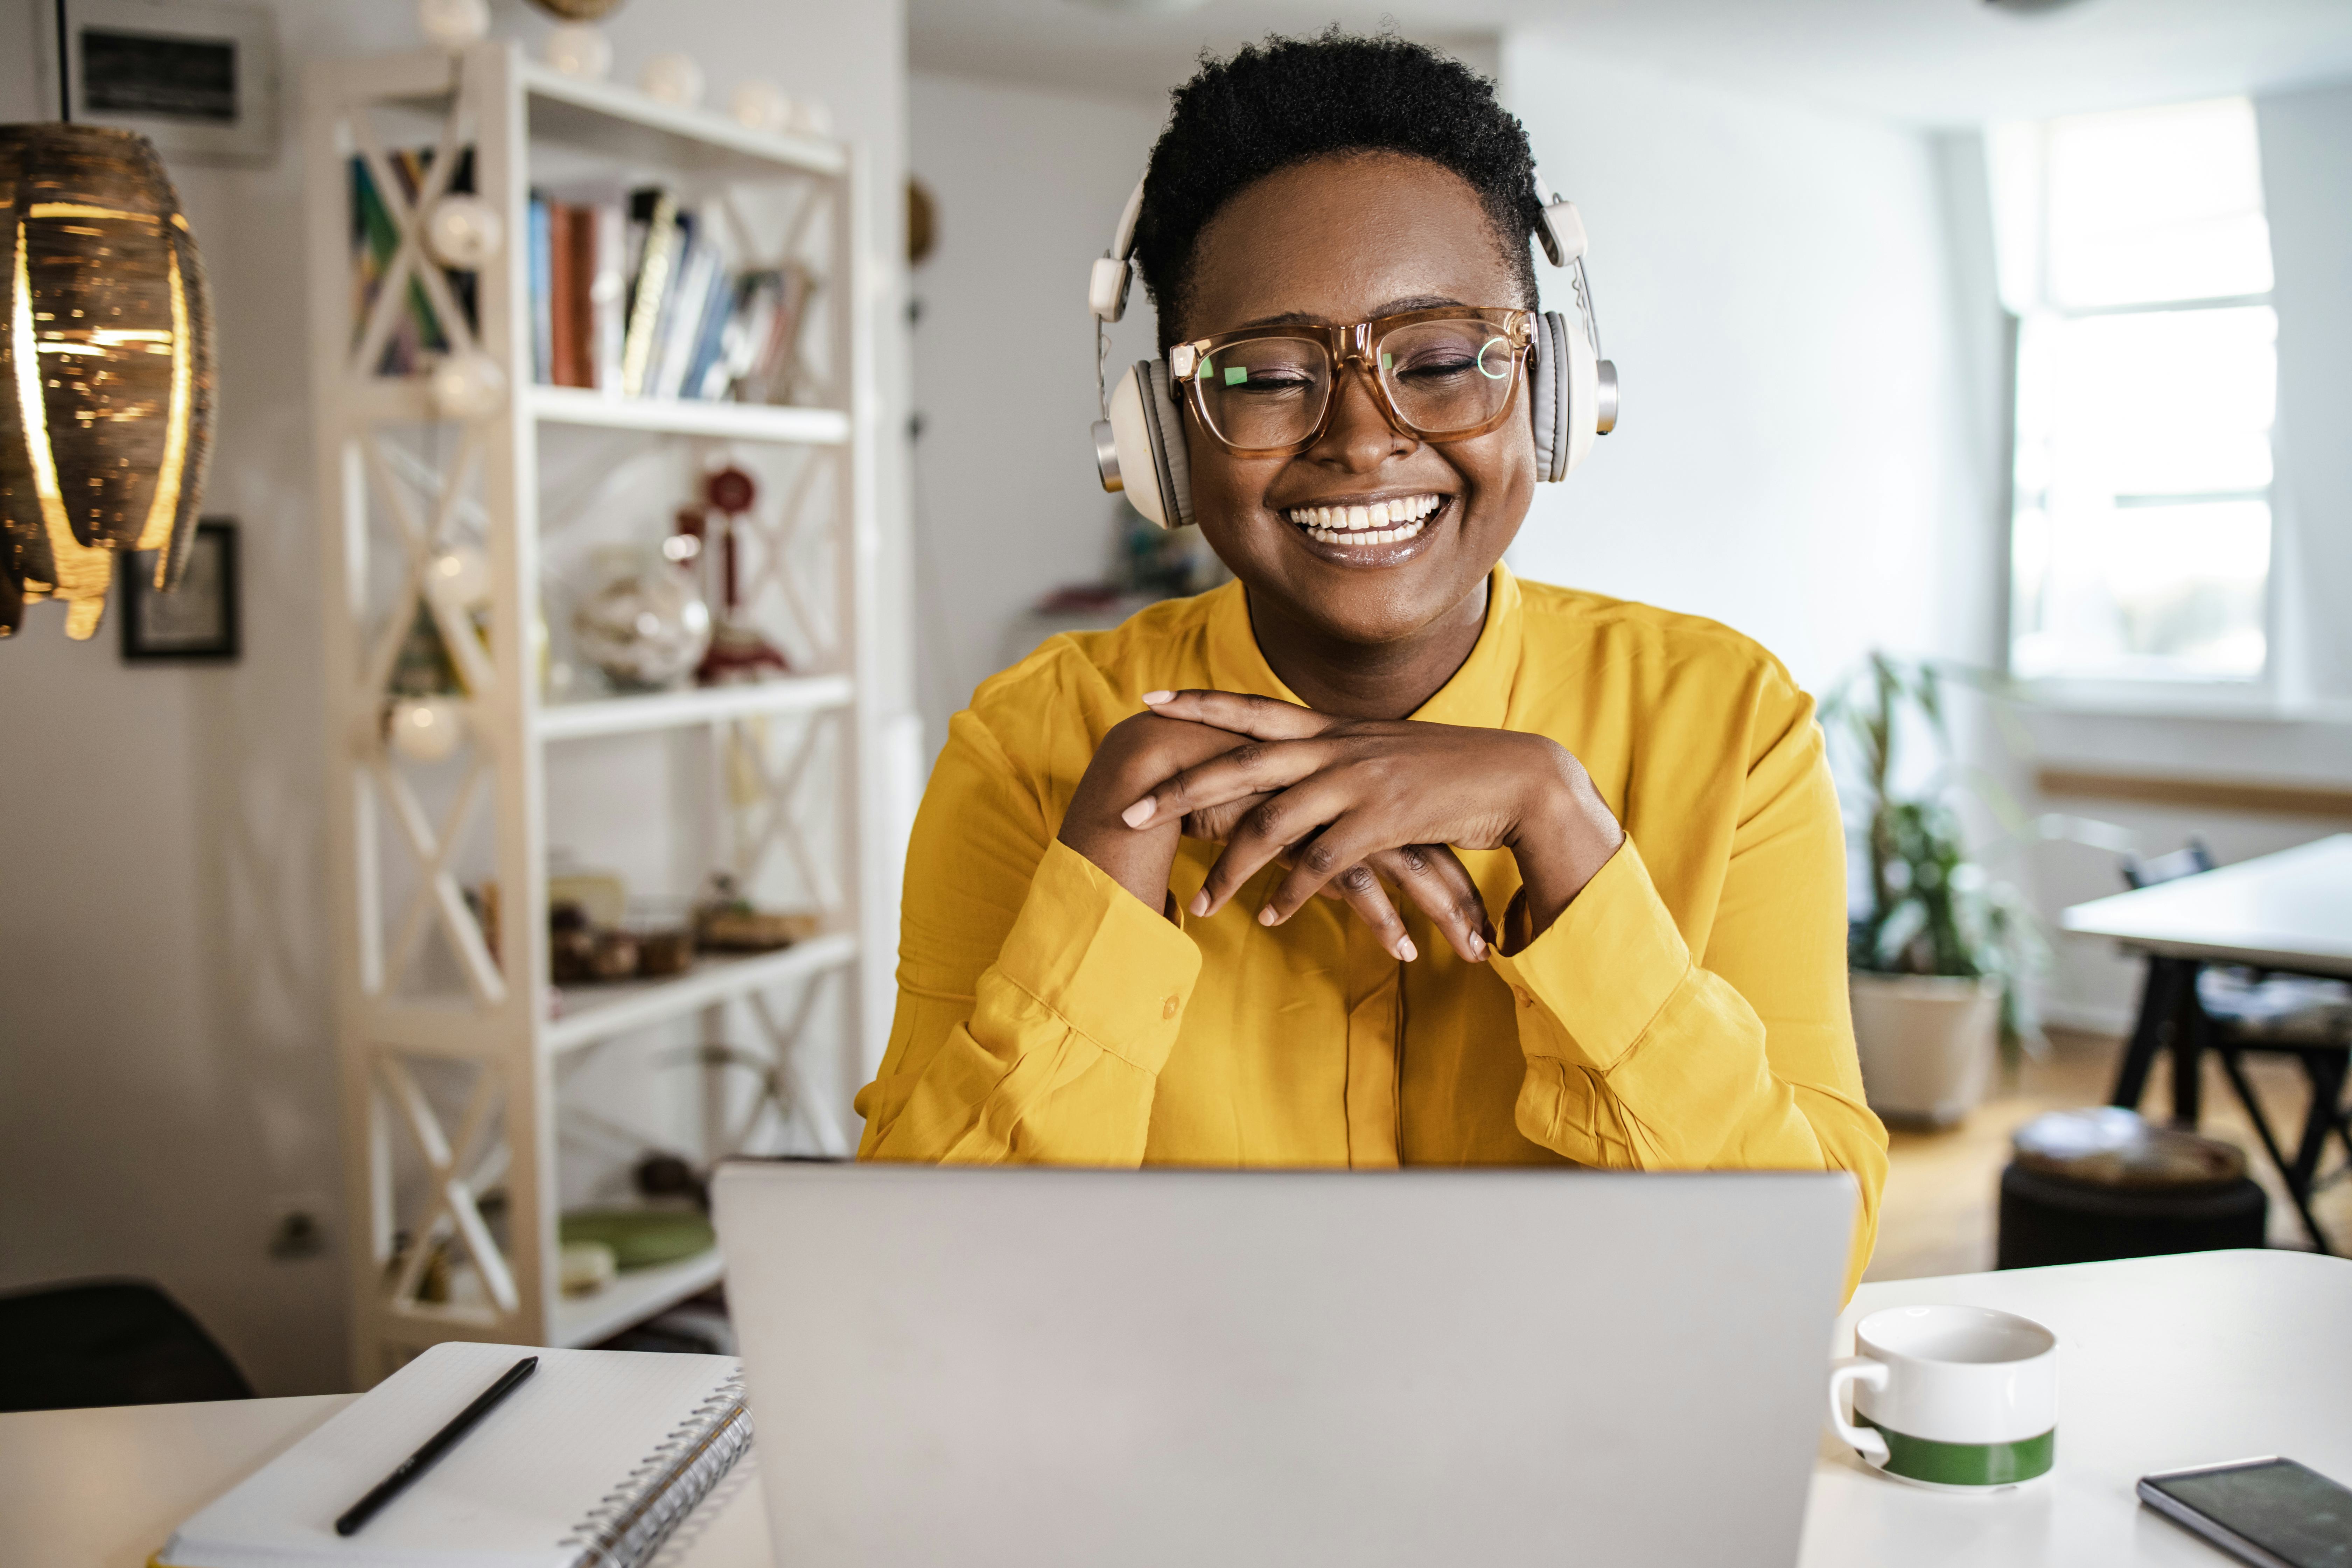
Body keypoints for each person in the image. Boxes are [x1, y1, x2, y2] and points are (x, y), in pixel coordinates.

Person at [856, 31, 1886, 1287]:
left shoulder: (1730, 727)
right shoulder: (1030, 749)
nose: (1360, 439)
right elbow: (922, 1286)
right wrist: (1119, 840)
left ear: (1554, 388)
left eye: (1442, 360)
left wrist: (1559, 826)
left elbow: (1805, 1266)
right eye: (1265, 376)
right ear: (1163, 438)